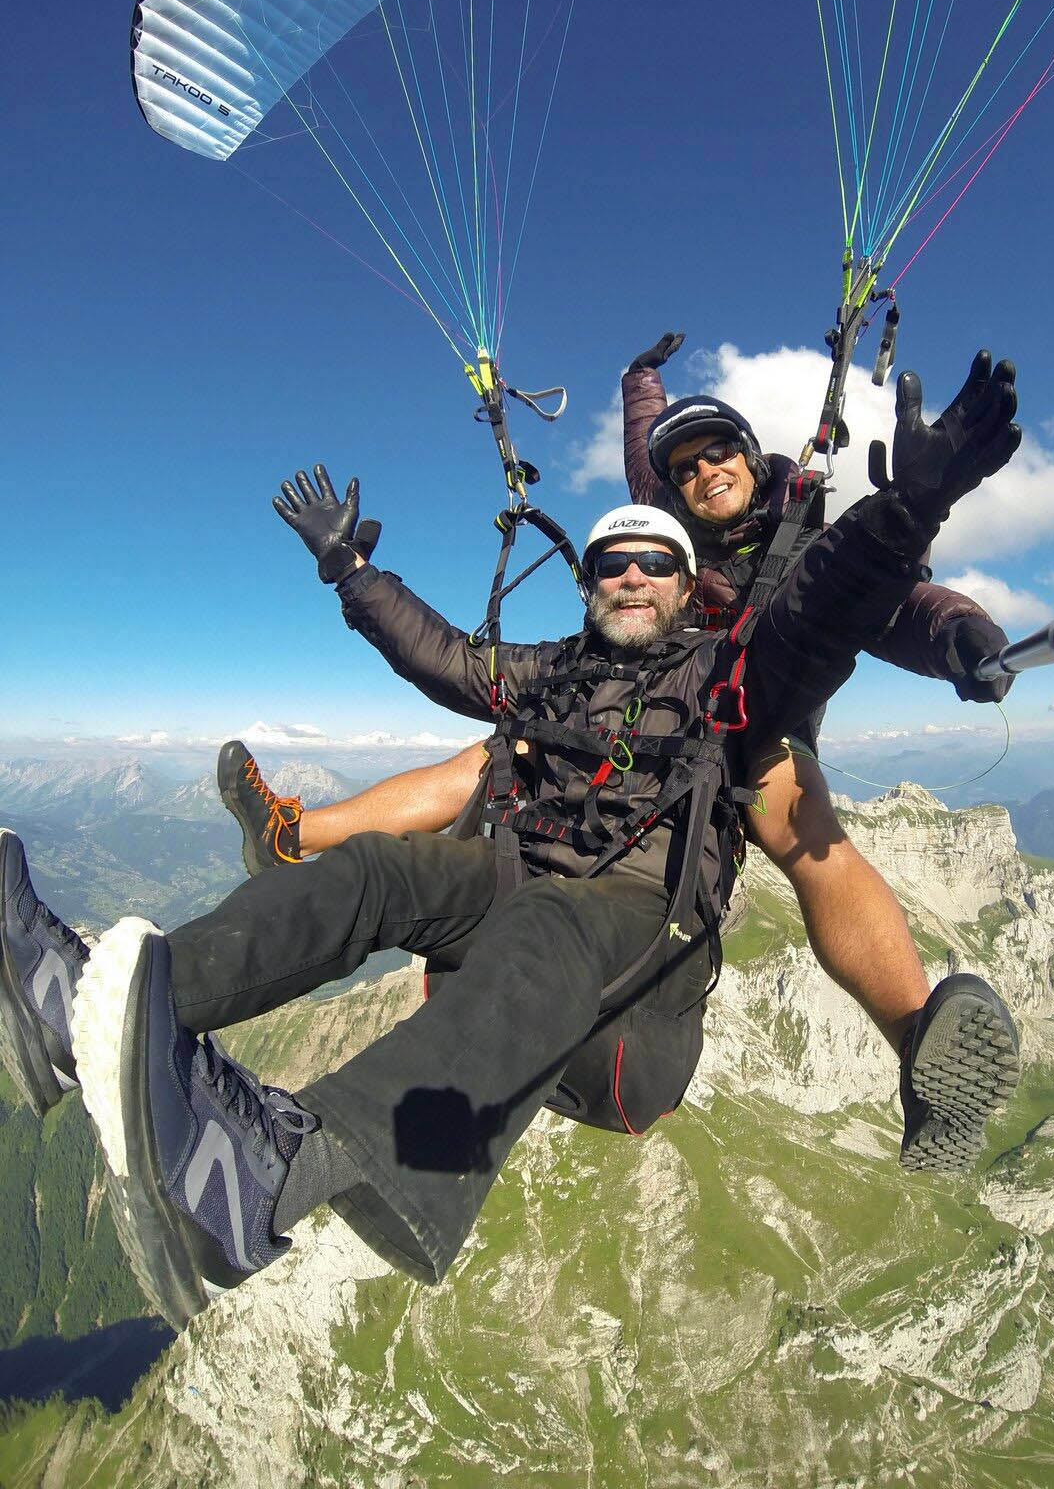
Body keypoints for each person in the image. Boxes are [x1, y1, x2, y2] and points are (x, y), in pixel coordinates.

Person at [0, 363, 1021, 1330]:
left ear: (682, 585)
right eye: (610, 564)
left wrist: (910, 511)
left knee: (599, 900)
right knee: (383, 868)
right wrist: (348, 568)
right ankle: (81, 1001)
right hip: (525, 925)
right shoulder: (556, 672)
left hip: (630, 1015)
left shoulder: (734, 679)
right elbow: (444, 657)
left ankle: (269, 1175)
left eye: (653, 564)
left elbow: (822, 614)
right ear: (589, 585)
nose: (630, 576)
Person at [219, 339, 1013, 1073]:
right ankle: (290, 833)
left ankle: (917, 1036)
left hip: (755, 717)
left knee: (796, 817)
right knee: (491, 756)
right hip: (641, 706)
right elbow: (646, 451)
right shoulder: (668, 528)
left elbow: (896, 603)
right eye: (689, 468)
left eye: (720, 454)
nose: (706, 473)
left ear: (749, 454)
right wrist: (640, 379)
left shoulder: (809, 542)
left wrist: (961, 638)